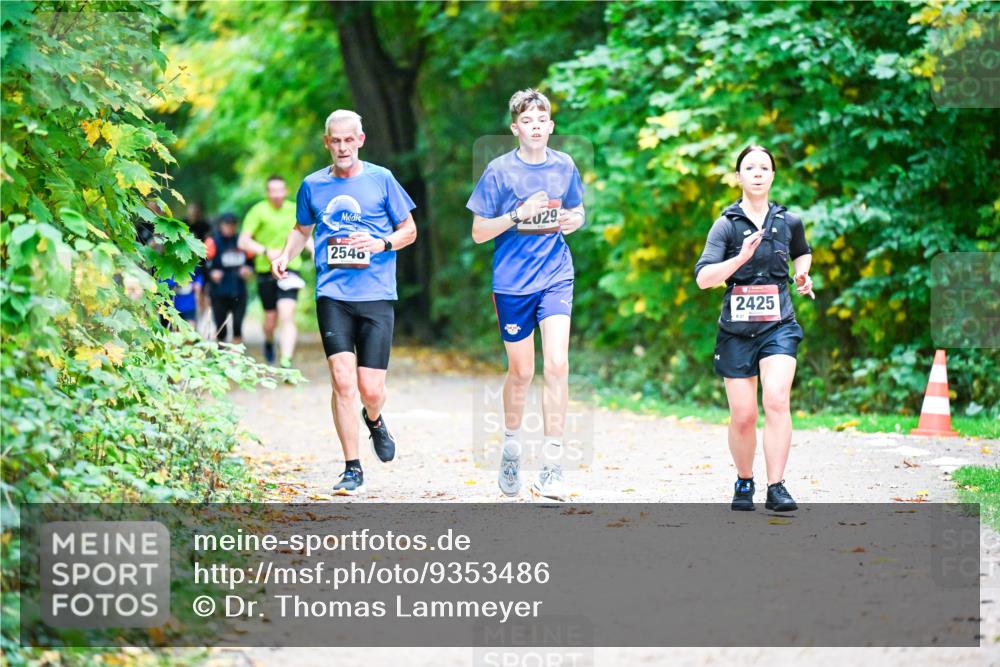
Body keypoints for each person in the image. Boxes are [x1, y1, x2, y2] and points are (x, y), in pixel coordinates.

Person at [272, 109, 417, 496]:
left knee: (370, 389)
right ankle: (352, 467)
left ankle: (375, 419)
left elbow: (409, 230)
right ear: (326, 143)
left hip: (377, 294)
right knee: (341, 380)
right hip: (333, 294)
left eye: (348, 139)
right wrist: (286, 255)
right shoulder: (312, 185)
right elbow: (302, 228)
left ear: (360, 140)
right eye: (335, 140)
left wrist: (381, 242)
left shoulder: (381, 179)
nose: (342, 147)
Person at [467, 89, 586, 501]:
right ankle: (512, 448)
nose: (536, 126)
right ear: (515, 128)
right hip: (513, 283)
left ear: (551, 126)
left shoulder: (565, 165)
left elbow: (577, 211)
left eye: (542, 119)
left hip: (556, 275)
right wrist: (518, 214)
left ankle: (552, 466)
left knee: (557, 364)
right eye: (528, 120)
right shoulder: (499, 171)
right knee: (521, 372)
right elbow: (479, 232)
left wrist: (573, 220)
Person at [694, 145, 815, 512]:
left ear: (773, 175)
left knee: (777, 399)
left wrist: (802, 272)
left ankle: (777, 486)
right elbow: (703, 278)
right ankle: (744, 480)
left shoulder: (788, 221)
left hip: (779, 324)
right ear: (739, 177)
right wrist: (741, 257)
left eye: (765, 167)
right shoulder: (726, 224)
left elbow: (802, 251)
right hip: (736, 331)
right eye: (750, 167)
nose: (758, 172)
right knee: (744, 416)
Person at [239, 175, 306, 367]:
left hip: (290, 269)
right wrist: (266, 251)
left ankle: (286, 359)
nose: (276, 194)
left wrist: (317, 252)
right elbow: (243, 241)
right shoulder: (258, 211)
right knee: (270, 320)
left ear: (285, 191)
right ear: (267, 192)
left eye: (280, 190)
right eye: (272, 190)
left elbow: (304, 235)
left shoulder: (294, 209)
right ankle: (269, 341)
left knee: (287, 314)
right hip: (266, 271)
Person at [205, 212, 252, 345]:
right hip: (219, 292)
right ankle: (221, 354)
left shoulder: (241, 242)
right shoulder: (212, 242)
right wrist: (211, 273)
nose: (230, 228)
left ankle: (235, 356)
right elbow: (202, 265)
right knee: (221, 326)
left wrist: (248, 269)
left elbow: (251, 261)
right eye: (227, 225)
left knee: (237, 325)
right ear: (221, 225)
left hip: (239, 290)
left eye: (232, 225)